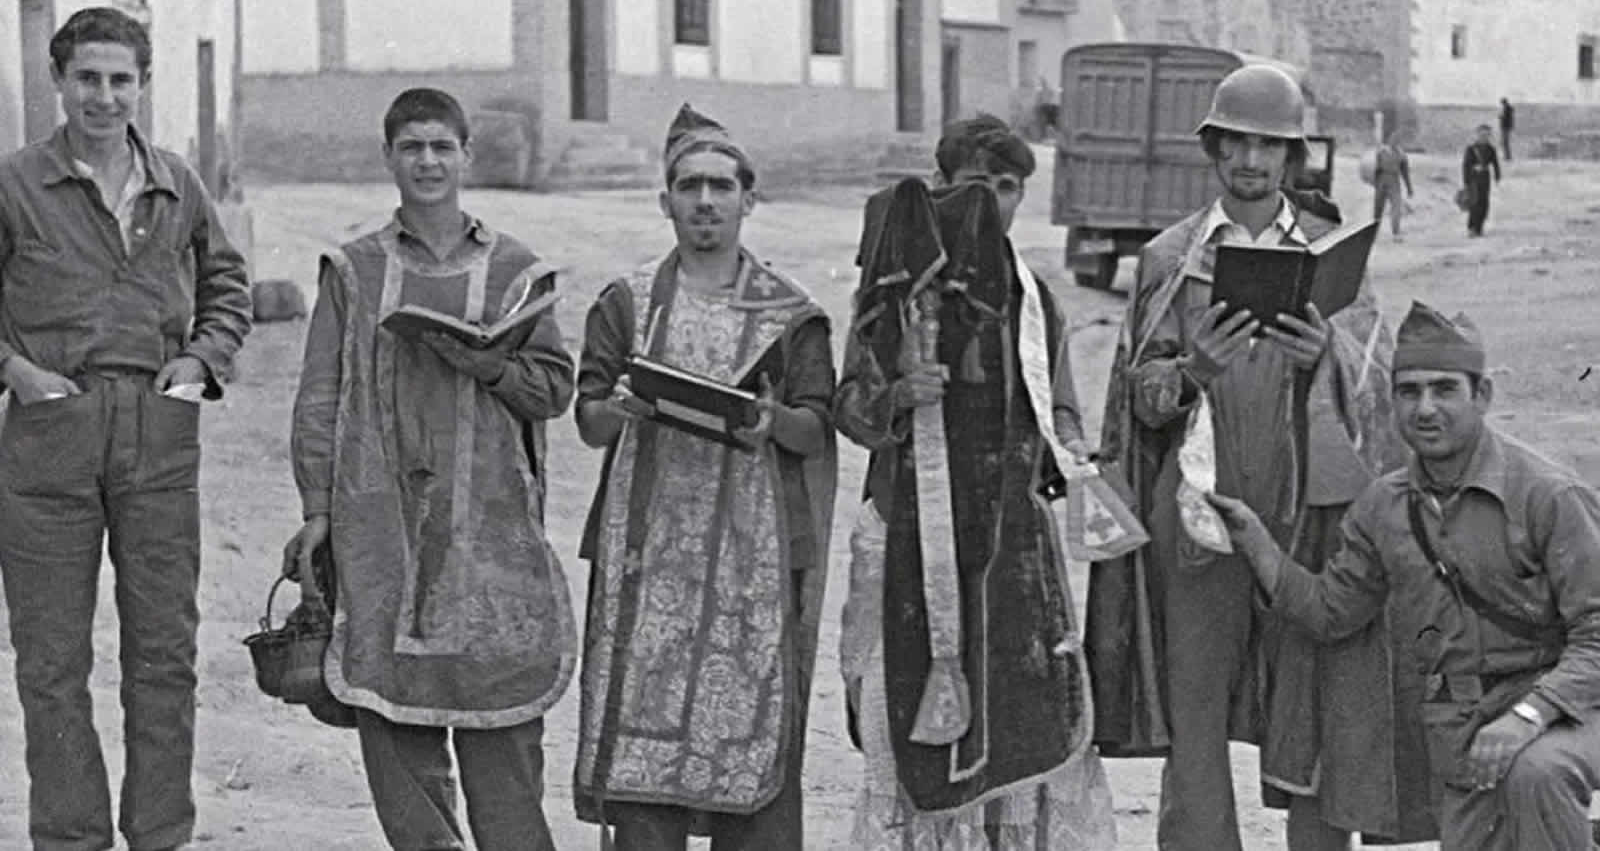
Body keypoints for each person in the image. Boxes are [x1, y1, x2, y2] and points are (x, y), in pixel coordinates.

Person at [1083, 63, 1433, 851]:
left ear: (1292, 156)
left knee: (1312, 700)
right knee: (1195, 710)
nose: (1249, 160)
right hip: (1197, 514)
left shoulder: (1331, 255)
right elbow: (1133, 402)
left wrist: (1328, 355)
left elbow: (1379, 386)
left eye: (1267, 145)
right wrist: (1191, 371)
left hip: (1308, 512)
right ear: (1213, 148)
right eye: (1234, 142)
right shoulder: (1169, 259)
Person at [284, 87, 576, 851]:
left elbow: (553, 390)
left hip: (491, 533)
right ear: (388, 158)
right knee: (396, 732)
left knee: (504, 735)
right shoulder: (352, 271)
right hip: (383, 532)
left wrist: (489, 367)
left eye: (442, 146)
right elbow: (320, 396)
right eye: (411, 146)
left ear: (467, 156)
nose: (428, 161)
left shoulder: (516, 269)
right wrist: (317, 510)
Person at [1211, 301, 1600, 851]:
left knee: (1536, 774)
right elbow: (1331, 612)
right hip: (1464, 724)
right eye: (1409, 391)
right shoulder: (1383, 506)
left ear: (1482, 396)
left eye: (1445, 390)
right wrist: (1256, 542)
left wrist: (1529, 714)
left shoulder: (1547, 495)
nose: (1425, 409)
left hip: (1570, 711)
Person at [0, 7, 252, 851]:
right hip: (48, 434)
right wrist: (16, 373)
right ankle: (71, 839)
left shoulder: (178, 184)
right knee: (51, 661)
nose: (104, 97)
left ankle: (159, 835)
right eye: (87, 79)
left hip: (156, 430)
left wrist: (200, 364)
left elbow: (227, 286)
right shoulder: (15, 185)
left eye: (120, 80)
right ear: (59, 82)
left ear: (142, 85)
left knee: (163, 653)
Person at [835, 114, 1117, 849]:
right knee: (916, 732)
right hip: (912, 543)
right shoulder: (900, 288)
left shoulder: (1035, 299)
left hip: (1014, 554)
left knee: (1024, 723)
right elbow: (851, 410)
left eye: (1008, 188)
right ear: (940, 191)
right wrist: (897, 395)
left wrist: (1078, 455)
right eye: (976, 187)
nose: (993, 204)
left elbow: (1058, 411)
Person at [571, 103, 837, 851]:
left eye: (722, 187)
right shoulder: (626, 304)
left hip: (753, 557)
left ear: (749, 199)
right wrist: (618, 409)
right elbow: (587, 420)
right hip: (646, 557)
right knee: (643, 764)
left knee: (750, 749)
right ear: (667, 201)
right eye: (689, 187)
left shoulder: (791, 316)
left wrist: (769, 422)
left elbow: (818, 424)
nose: (706, 202)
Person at [1463, 124, 1502, 237]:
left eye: (1486, 135)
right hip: (1473, 178)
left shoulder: (1491, 149)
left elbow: (1495, 163)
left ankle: (1479, 228)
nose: (1484, 137)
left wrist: (1497, 176)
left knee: (1484, 203)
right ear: (1477, 135)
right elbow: (1466, 165)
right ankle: (1471, 228)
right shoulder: (1471, 149)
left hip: (1485, 178)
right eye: (1482, 135)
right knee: (1474, 203)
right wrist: (1466, 181)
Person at [1373, 133, 1414, 239]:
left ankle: (1396, 232)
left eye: (1397, 140)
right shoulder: (1381, 152)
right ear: (1389, 140)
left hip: (1394, 180)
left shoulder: (1401, 155)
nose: (1394, 142)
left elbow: (1405, 172)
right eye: (1393, 139)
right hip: (1381, 180)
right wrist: (1375, 183)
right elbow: (1375, 169)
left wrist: (1409, 188)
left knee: (1396, 207)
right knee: (1378, 208)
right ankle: (1372, 232)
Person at [1499, 97, 1515, 162]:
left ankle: (1507, 157)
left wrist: (1501, 117)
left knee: (1504, 142)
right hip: (1507, 127)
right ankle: (1507, 156)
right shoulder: (1508, 109)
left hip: (1505, 127)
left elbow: (1505, 118)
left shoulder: (1506, 109)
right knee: (1505, 142)